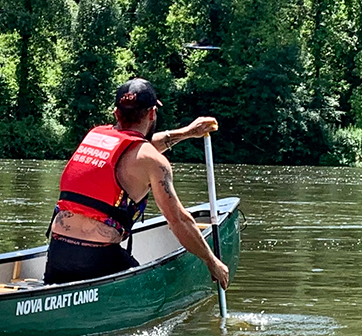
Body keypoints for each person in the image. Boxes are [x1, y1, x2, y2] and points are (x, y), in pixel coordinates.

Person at [47, 77, 230, 289]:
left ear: (116, 113)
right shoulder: (154, 163)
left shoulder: (95, 136)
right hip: (98, 259)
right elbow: (178, 220)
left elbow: (135, 148)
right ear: (152, 113)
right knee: (152, 288)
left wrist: (187, 133)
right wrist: (212, 261)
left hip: (58, 254)